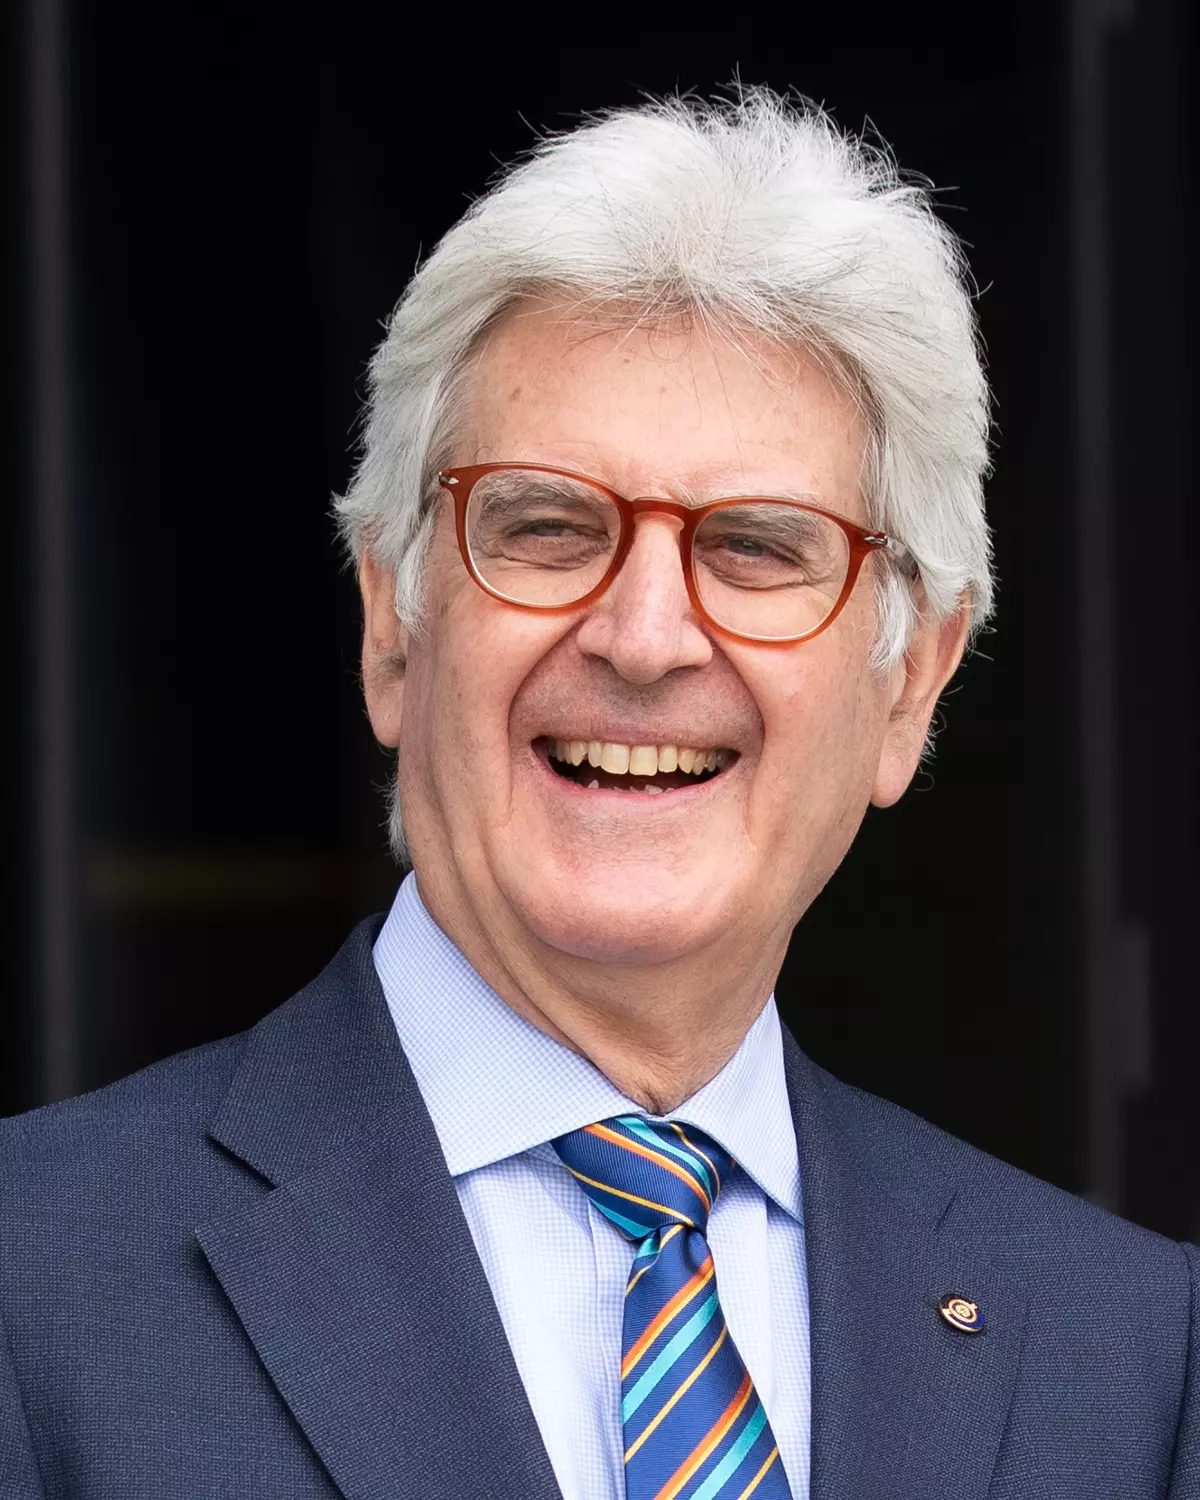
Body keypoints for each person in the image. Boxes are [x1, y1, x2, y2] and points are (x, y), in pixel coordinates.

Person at [1, 89, 1195, 1500]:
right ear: (392, 628)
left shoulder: (1131, 1354)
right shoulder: (35, 1276)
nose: (644, 637)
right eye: (549, 526)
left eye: (758, 548)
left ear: (910, 685)